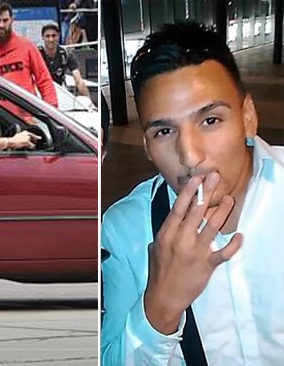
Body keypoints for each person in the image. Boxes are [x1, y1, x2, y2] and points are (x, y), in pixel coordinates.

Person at [101, 22, 284, 364]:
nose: (190, 155)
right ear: (147, 147)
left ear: (247, 116)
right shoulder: (124, 230)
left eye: (210, 120)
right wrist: (160, 306)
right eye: (165, 131)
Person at [0, 0, 57, 108]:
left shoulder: (27, 46)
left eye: (5, 20)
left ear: (12, 20)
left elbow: (44, 81)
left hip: (27, 119)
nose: (1, 25)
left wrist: (52, 110)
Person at [38, 23, 89, 97]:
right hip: (41, 92)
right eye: (47, 36)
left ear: (58, 36)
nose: (51, 39)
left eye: (53, 36)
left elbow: (79, 80)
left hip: (60, 91)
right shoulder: (37, 53)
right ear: (42, 37)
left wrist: (89, 102)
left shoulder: (65, 53)